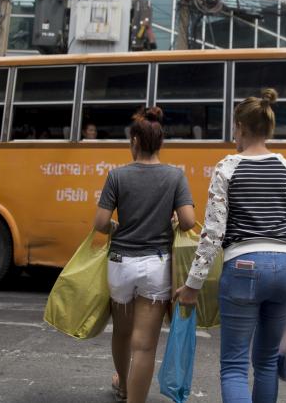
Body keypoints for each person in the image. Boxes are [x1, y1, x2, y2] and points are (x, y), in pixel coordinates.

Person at [175, 88, 286, 403]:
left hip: (244, 267)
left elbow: (213, 232)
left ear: (241, 127)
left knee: (235, 366)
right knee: (266, 362)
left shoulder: (227, 167)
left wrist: (192, 285)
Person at [93, 106, 195, 403]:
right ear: (160, 143)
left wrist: (119, 228)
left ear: (135, 141)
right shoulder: (175, 176)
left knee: (122, 334)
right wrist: (172, 221)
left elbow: (100, 224)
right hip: (155, 266)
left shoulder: (117, 176)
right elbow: (188, 221)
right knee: (144, 345)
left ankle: (123, 385)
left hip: (121, 265)